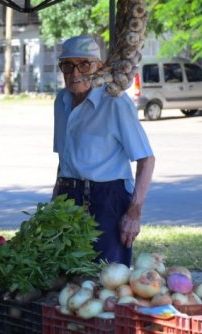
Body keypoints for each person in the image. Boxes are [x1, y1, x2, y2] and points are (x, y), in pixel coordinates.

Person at [51, 35, 155, 266]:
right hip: (68, 197)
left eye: (84, 64)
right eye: (68, 65)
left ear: (99, 67)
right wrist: (54, 202)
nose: (75, 72)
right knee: (67, 273)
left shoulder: (115, 103)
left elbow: (146, 159)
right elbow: (63, 158)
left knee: (108, 277)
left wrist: (134, 211)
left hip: (108, 198)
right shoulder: (62, 101)